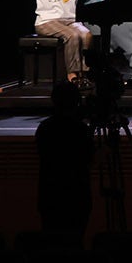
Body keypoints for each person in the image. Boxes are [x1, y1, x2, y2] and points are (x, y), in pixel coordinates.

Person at [36, 81, 95, 243]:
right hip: (77, 197)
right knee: (75, 240)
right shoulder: (80, 130)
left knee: (51, 241)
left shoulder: (44, 128)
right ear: (77, 101)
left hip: (50, 196)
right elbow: (89, 160)